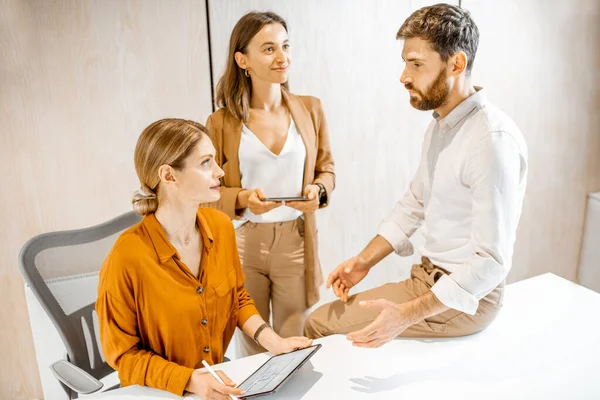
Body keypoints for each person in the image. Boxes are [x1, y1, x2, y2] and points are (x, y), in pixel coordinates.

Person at [304, 3, 528, 347]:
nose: (404, 76)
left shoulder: (491, 142)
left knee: (318, 324)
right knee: (325, 319)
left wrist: (406, 314)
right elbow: (415, 202)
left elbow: (491, 262)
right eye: (405, 62)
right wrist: (363, 262)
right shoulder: (442, 125)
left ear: (457, 64)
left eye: (417, 64)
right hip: (428, 278)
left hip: (470, 299)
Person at [96, 118, 312, 399]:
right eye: (206, 163)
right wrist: (189, 380)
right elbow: (123, 356)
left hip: (217, 385)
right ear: (169, 176)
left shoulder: (220, 227)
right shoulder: (126, 258)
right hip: (160, 392)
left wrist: (275, 343)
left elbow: (237, 297)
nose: (220, 172)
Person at [205, 11, 335, 357]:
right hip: (244, 243)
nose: (283, 57)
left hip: (295, 241)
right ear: (242, 59)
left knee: (295, 341)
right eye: (269, 49)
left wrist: (318, 191)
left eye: (285, 46)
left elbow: (327, 170)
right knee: (252, 343)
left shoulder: (310, 110)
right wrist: (243, 198)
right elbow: (207, 191)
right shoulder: (220, 123)